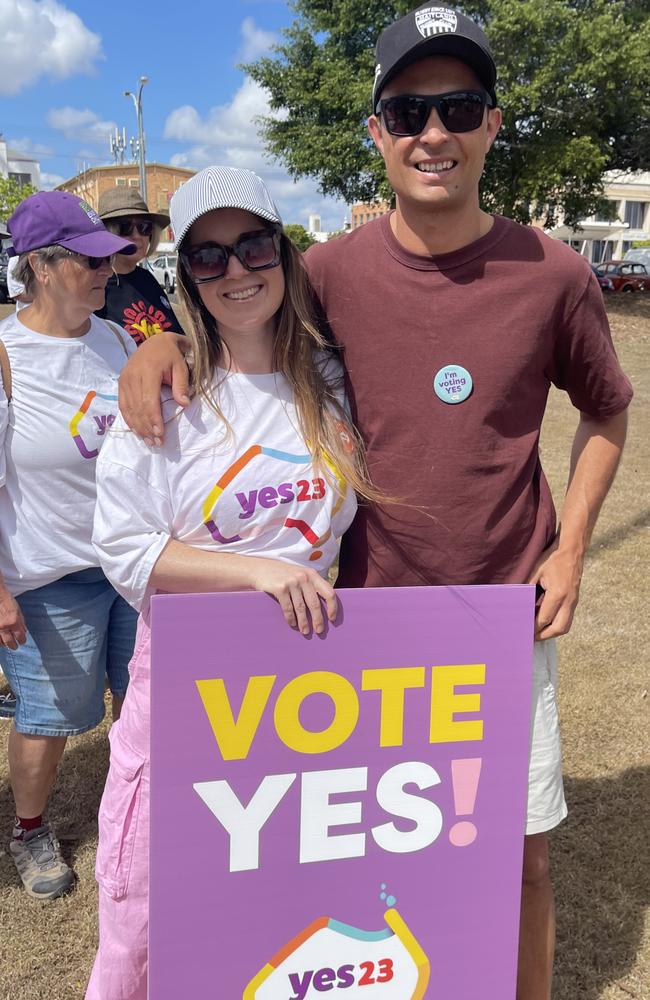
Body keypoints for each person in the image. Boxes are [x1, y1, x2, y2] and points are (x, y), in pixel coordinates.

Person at [116, 8, 633, 999]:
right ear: (375, 132)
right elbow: (235, 323)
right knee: (359, 869)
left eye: (457, 107)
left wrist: (568, 550)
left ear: (490, 125)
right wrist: (158, 343)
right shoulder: (329, 274)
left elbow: (605, 411)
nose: (431, 131)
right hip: (359, 626)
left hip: (498, 621)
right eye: (407, 110)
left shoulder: (555, 274)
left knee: (515, 860)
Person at [86, 165, 372, 999]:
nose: (236, 272)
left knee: (277, 909)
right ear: (184, 278)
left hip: (311, 694)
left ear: (283, 255)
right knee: (145, 917)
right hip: (189, 690)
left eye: (252, 247)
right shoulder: (166, 396)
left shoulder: (330, 383)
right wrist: (257, 572)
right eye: (208, 258)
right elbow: (127, 549)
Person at [0, 191, 139, 900]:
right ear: (41, 267)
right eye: (86, 261)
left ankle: (139, 814)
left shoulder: (116, 341)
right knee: (49, 716)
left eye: (105, 259)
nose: (104, 273)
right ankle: (30, 829)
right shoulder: (6, 355)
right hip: (50, 576)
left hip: (131, 567)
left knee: (144, 699)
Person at [96, 186, 184, 344]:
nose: (137, 236)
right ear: (107, 232)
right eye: (125, 227)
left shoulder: (146, 279)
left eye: (144, 227)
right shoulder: (97, 287)